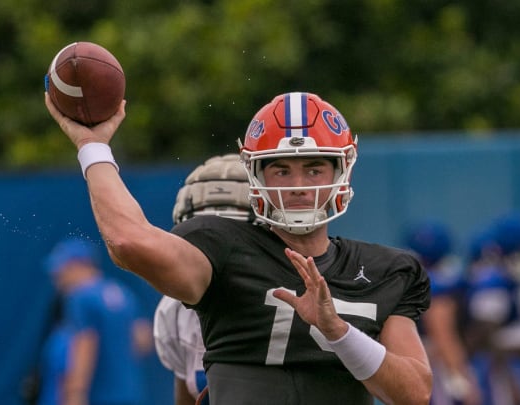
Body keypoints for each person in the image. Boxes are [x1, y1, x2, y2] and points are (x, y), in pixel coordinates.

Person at [45, 90, 433, 404]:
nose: (298, 185)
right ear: (256, 174)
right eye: (281, 169)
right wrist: (93, 148)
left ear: (341, 171)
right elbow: (129, 242)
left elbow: (415, 393)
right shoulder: (222, 248)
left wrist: (338, 331)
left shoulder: (386, 269)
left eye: (314, 169)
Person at [153, 153, 254, 405]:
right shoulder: (174, 309)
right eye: (203, 234)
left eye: (232, 233)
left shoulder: (294, 298)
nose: (215, 249)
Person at [39, 238, 153, 405]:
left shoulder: (80, 297)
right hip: (129, 394)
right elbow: (143, 341)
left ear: (78, 265)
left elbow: (85, 343)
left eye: (61, 272)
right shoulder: (122, 293)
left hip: (98, 397)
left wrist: (75, 394)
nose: (58, 280)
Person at [464, 213, 520, 405]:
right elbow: (484, 336)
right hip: (492, 371)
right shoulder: (492, 283)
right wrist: (509, 375)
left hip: (508, 368)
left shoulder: (516, 284)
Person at [404, 221, 481, 405]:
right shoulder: (438, 288)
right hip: (434, 368)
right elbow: (443, 336)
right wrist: (463, 375)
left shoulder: (407, 282)